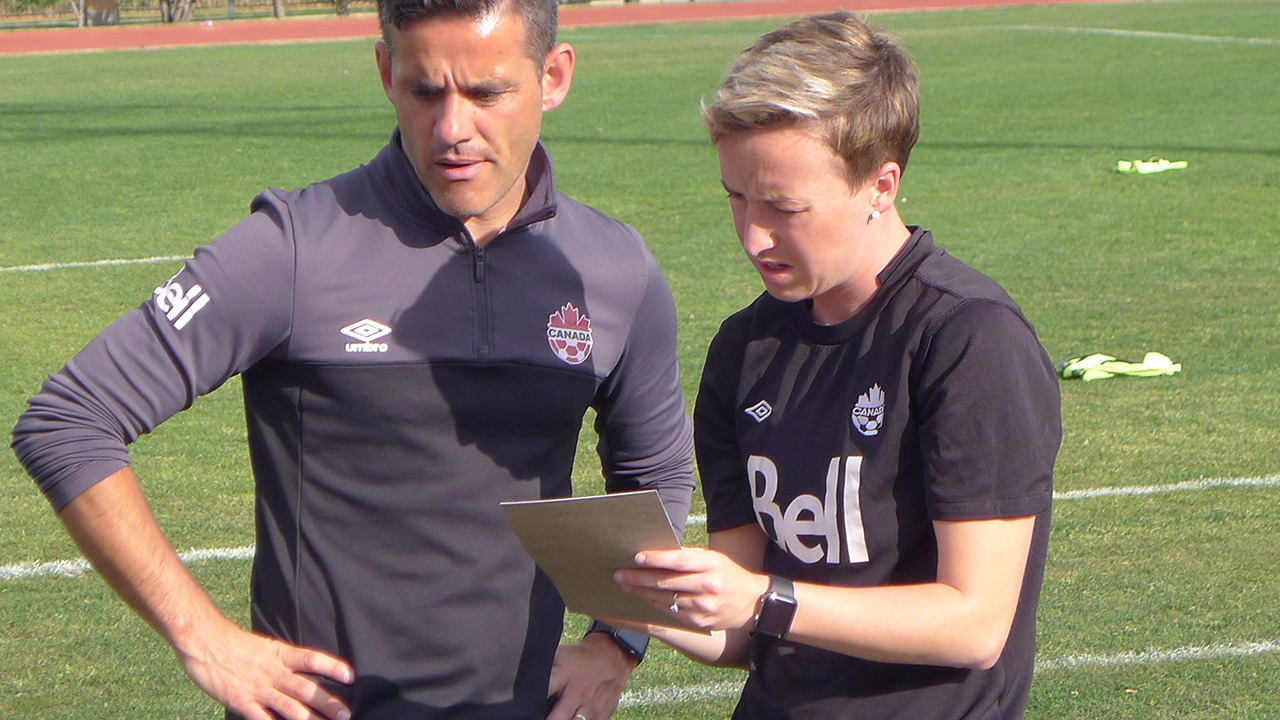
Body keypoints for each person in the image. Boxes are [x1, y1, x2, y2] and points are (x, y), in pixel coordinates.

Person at [10, 0, 694, 718]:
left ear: (553, 77)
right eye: (424, 90)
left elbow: (654, 472)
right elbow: (69, 420)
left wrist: (618, 640)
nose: (453, 128)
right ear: (384, 72)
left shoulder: (615, 270)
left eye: (487, 92)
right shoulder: (294, 248)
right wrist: (202, 636)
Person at [610, 11, 1061, 719]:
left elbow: (974, 625)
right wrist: (626, 593)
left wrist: (765, 599)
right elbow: (737, 632)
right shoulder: (744, 348)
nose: (754, 236)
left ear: (881, 186)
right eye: (736, 197)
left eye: (785, 207)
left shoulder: (968, 339)